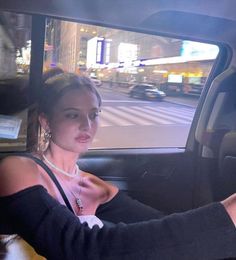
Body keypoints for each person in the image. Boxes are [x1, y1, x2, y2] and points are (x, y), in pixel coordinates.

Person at [0, 70, 164, 258]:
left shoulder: (94, 186)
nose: (87, 125)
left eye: (93, 115)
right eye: (72, 115)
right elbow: (75, 247)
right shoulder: (19, 169)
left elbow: (160, 225)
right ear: (46, 122)